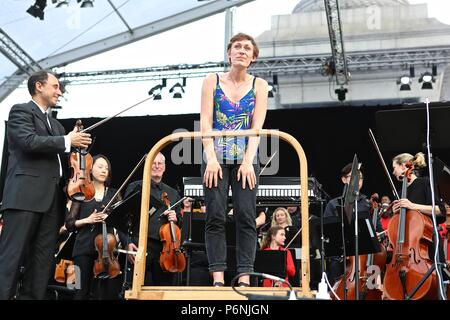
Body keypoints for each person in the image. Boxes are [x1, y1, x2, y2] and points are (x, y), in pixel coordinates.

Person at [0, 70, 91, 300]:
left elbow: (62, 160)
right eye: (56, 86)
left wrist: (77, 149)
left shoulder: (57, 126)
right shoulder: (21, 111)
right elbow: (29, 142)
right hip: (25, 198)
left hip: (52, 202)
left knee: (41, 266)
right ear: (39, 86)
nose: (60, 92)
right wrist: (67, 141)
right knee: (11, 259)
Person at [200, 32, 268, 287]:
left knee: (246, 217)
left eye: (247, 48)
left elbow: (257, 127)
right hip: (215, 155)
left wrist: (249, 161)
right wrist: (211, 158)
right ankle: (218, 278)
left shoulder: (259, 85)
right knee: (215, 216)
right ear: (229, 53)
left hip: (245, 157)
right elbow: (205, 122)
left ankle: (244, 277)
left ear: (252, 57)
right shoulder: (212, 80)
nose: (241, 50)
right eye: (237, 46)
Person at [65, 155, 122, 300]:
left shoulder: (114, 194)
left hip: (106, 253)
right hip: (82, 249)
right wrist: (87, 220)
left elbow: (122, 221)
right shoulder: (81, 191)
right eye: (100, 167)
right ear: (91, 169)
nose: (104, 171)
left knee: (104, 294)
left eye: (107, 168)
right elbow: (69, 223)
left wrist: (110, 218)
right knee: (79, 292)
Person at [124, 152, 182, 286]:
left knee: (163, 290)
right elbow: (125, 217)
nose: (156, 166)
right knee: (135, 287)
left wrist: (176, 218)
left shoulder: (173, 193)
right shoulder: (136, 187)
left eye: (159, 163)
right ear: (148, 166)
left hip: (165, 249)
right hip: (140, 244)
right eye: (153, 163)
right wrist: (128, 241)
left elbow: (180, 223)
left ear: (164, 167)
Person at [323, 162, 382, 286]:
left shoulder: (368, 204)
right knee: (337, 290)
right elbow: (327, 232)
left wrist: (377, 234)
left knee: (371, 289)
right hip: (341, 258)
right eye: (352, 177)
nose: (357, 180)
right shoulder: (333, 204)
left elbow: (378, 230)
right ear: (344, 179)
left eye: (359, 177)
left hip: (366, 257)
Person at [390, 153, 445, 259]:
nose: (393, 172)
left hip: (428, 243)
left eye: (394, 168)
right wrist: (395, 213)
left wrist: (412, 206)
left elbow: (440, 210)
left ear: (403, 166)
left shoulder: (425, 183)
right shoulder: (400, 193)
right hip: (407, 247)